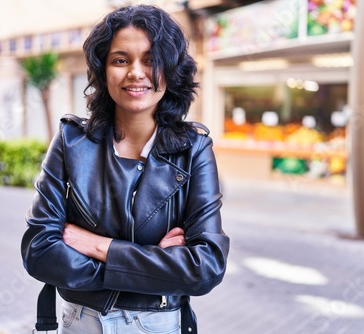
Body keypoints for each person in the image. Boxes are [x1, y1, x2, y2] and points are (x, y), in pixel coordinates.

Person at [21, 5, 230, 334]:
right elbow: (39, 251)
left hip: (159, 324)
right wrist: (151, 264)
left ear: (171, 69)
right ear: (103, 70)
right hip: (82, 322)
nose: (136, 72)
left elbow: (205, 268)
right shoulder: (71, 141)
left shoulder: (194, 149)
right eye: (121, 60)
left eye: (150, 59)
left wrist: (98, 246)